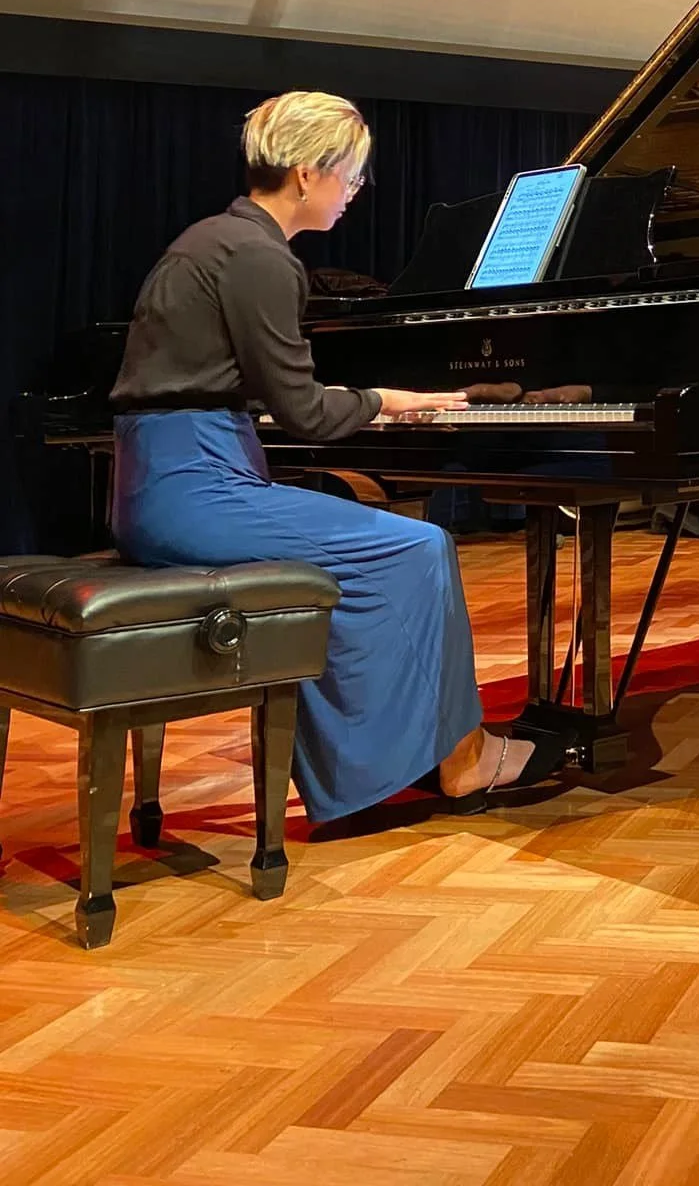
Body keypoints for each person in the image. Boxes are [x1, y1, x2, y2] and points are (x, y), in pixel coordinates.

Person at [109, 90, 566, 822]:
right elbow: (304, 412)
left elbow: (255, 395)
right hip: (195, 492)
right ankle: (461, 759)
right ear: (305, 173)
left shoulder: (214, 241)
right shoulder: (260, 257)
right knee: (418, 547)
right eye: (351, 175)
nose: (355, 191)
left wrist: (383, 398)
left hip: (159, 483)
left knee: (384, 552)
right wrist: (394, 399)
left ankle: (406, 756)